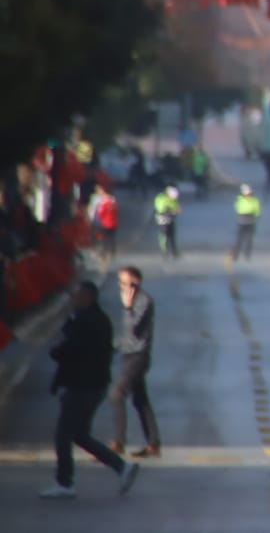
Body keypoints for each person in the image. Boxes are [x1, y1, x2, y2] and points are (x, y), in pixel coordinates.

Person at [41, 281, 140, 498]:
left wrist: (58, 352)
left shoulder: (89, 322)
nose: (72, 300)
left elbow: (70, 349)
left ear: (88, 298)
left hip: (82, 386)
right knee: (79, 435)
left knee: (63, 435)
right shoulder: (92, 319)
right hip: (92, 386)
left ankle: (65, 483)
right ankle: (122, 467)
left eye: (76, 296)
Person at [107, 266, 161, 460]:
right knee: (140, 400)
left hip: (139, 356)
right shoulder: (130, 301)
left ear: (136, 283)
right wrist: (110, 347)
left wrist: (128, 307)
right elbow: (126, 336)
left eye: (126, 283)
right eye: (120, 282)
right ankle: (153, 443)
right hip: (129, 354)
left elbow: (134, 329)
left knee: (116, 394)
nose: (122, 286)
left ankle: (118, 442)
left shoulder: (143, 302)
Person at [89, 182, 119, 259]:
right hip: (112, 223)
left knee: (103, 238)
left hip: (104, 223)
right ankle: (110, 252)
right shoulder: (112, 200)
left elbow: (100, 212)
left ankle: (104, 252)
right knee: (110, 238)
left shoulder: (104, 201)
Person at [233, 184, 262, 261]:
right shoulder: (240, 200)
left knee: (249, 240)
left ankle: (247, 255)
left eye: (249, 193)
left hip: (251, 221)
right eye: (247, 194)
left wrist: (256, 215)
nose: (248, 195)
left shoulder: (254, 200)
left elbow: (258, 210)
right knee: (240, 239)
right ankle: (236, 254)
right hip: (242, 221)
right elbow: (238, 208)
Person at [151, 185, 180, 260]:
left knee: (172, 234)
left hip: (170, 218)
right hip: (163, 219)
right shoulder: (161, 198)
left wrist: (175, 211)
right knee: (164, 234)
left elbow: (177, 207)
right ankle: (164, 251)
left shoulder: (172, 199)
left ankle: (174, 251)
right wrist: (170, 211)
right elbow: (160, 209)